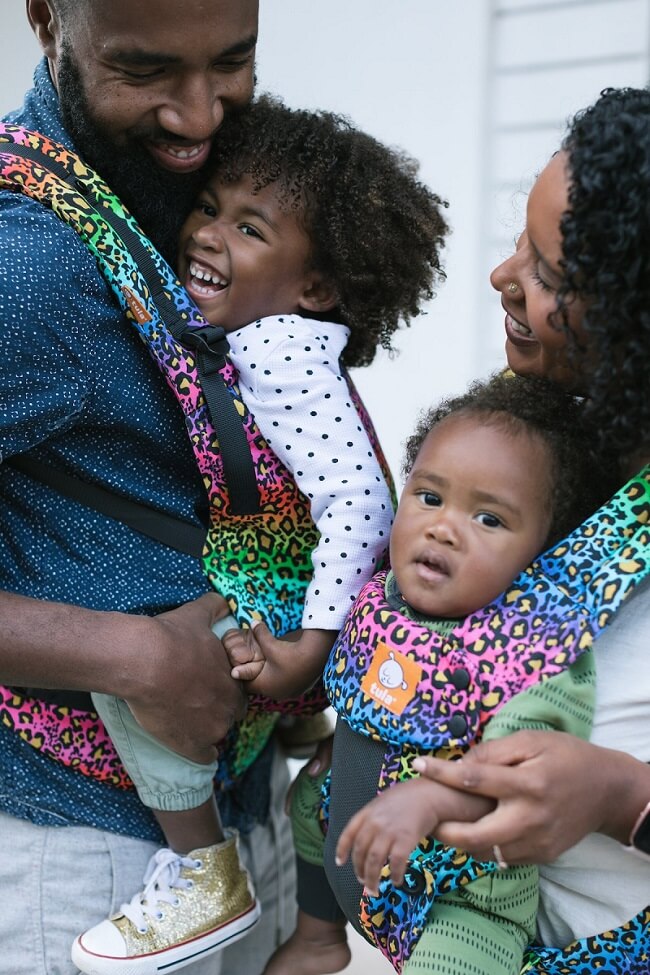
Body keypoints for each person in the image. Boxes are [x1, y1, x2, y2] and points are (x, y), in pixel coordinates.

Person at [71, 94, 449, 974]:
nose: (208, 234)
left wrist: (311, 643)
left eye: (250, 229)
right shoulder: (283, 334)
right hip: (292, 575)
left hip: (293, 591)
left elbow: (357, 501)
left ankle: (203, 863)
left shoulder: (277, 347)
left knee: (139, 664)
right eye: (209, 208)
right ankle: (303, 734)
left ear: (314, 285)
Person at [0, 3, 314, 975]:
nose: (196, 116)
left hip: (242, 814)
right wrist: (128, 652)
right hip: (94, 854)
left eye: (232, 62)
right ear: (48, 15)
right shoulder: (28, 265)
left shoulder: (184, 186)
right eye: (146, 72)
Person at [228, 370, 621, 975]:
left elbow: (526, 774)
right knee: (306, 801)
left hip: (458, 898)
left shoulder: (535, 646)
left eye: (489, 520)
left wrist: (431, 798)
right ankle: (318, 936)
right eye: (430, 497)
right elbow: (375, 690)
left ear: (542, 552)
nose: (443, 526)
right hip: (357, 838)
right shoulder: (382, 597)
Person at [396, 85, 650, 970]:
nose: (503, 278)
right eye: (522, 242)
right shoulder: (548, 458)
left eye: (548, 273)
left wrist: (622, 796)